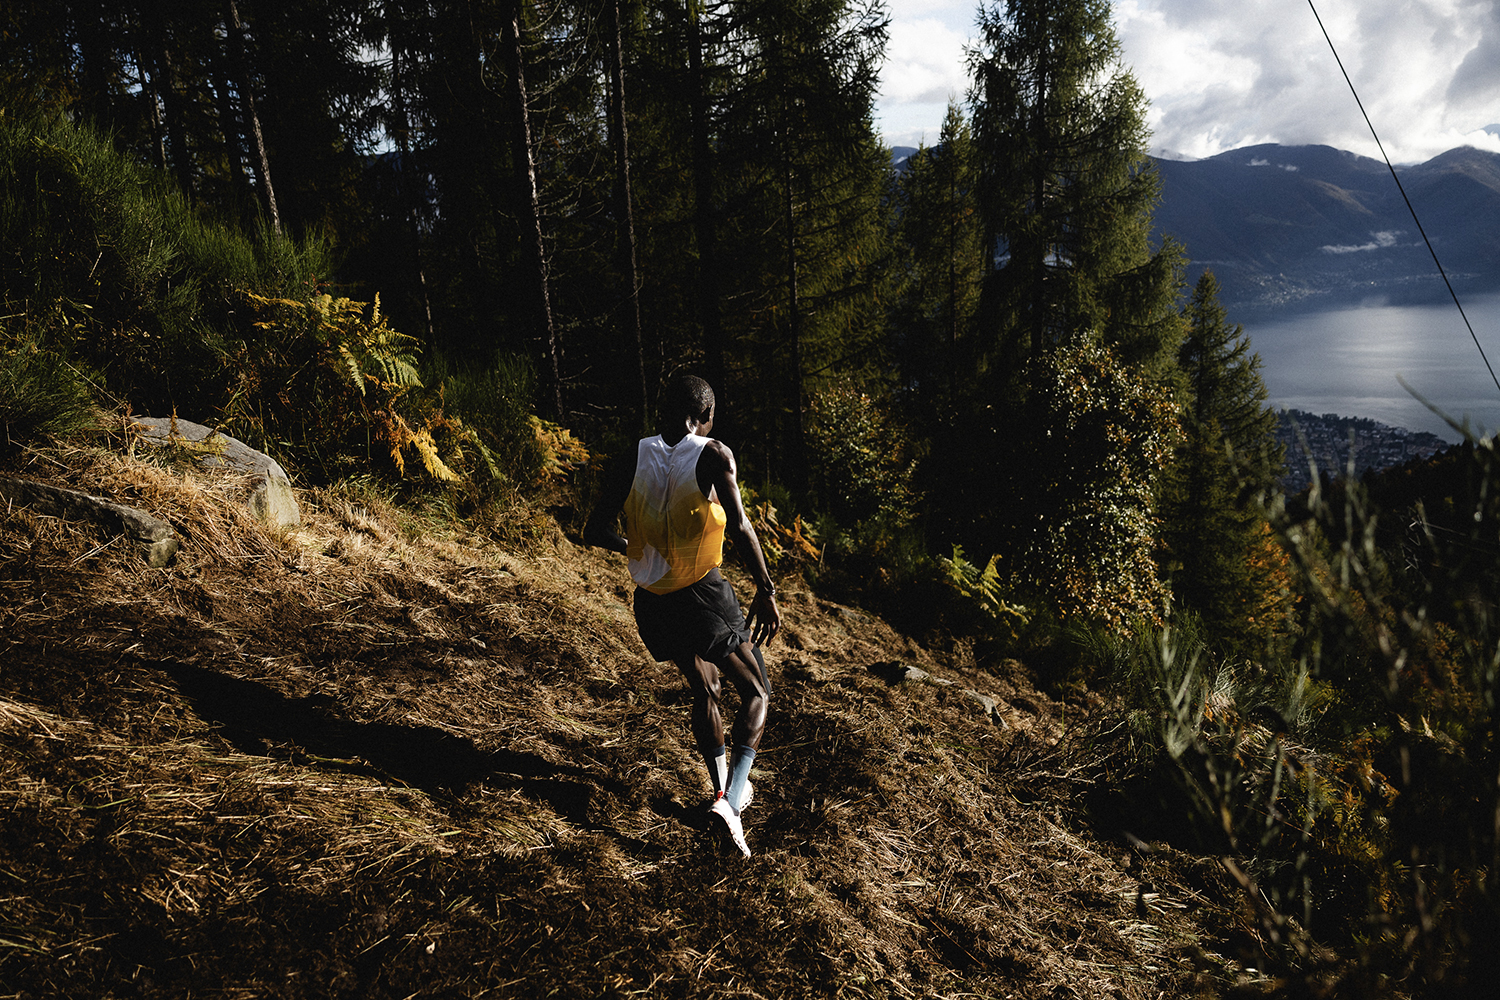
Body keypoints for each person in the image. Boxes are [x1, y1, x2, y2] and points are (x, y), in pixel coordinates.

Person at [584, 375, 780, 857]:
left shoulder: (633, 454)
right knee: (757, 690)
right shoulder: (714, 454)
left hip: (652, 601)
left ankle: (716, 795)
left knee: (704, 687)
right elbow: (738, 525)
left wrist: (643, 550)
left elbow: (594, 529)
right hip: (703, 595)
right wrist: (766, 587)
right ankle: (732, 802)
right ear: (708, 414)